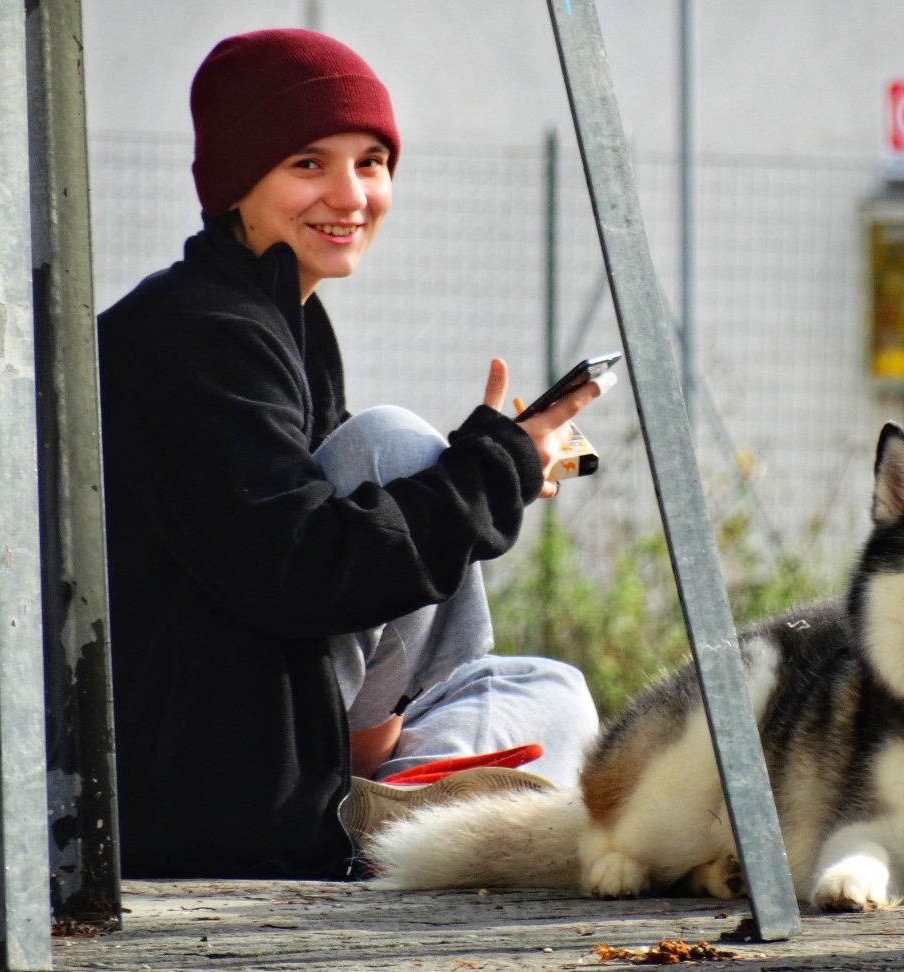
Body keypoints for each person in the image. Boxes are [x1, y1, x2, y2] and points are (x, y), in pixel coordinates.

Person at [97, 28, 606, 879]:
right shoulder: (191, 334)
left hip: (302, 730)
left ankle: (401, 799)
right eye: (307, 164)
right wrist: (487, 469)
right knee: (396, 442)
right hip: (201, 783)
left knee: (556, 693)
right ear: (234, 182)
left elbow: (328, 553)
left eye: (372, 162)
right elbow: (297, 570)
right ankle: (395, 810)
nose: (351, 193)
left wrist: (495, 469)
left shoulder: (281, 319)